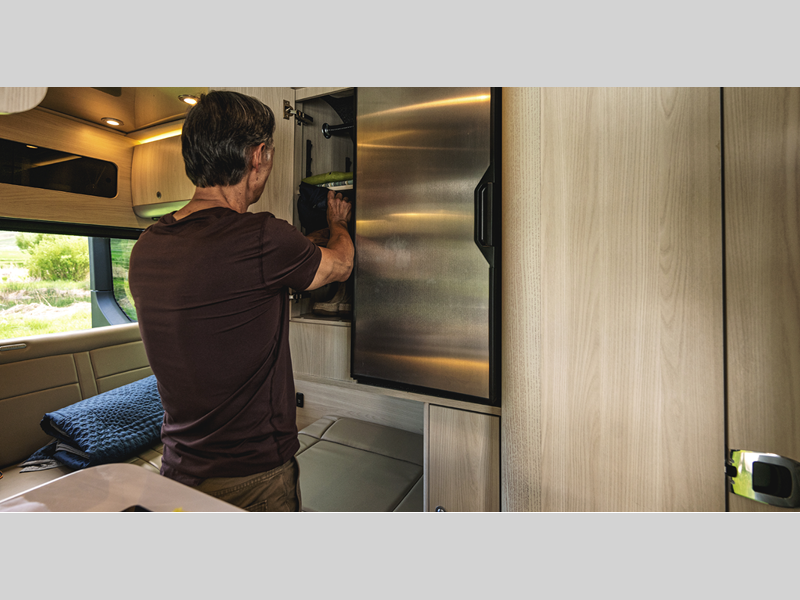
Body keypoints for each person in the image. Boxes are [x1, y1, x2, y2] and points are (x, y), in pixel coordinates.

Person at [129, 91, 353, 512]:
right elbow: (340, 265)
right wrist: (338, 223)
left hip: (176, 471)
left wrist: (306, 244)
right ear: (258, 155)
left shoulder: (146, 246)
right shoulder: (263, 236)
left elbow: (227, 274)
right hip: (251, 479)